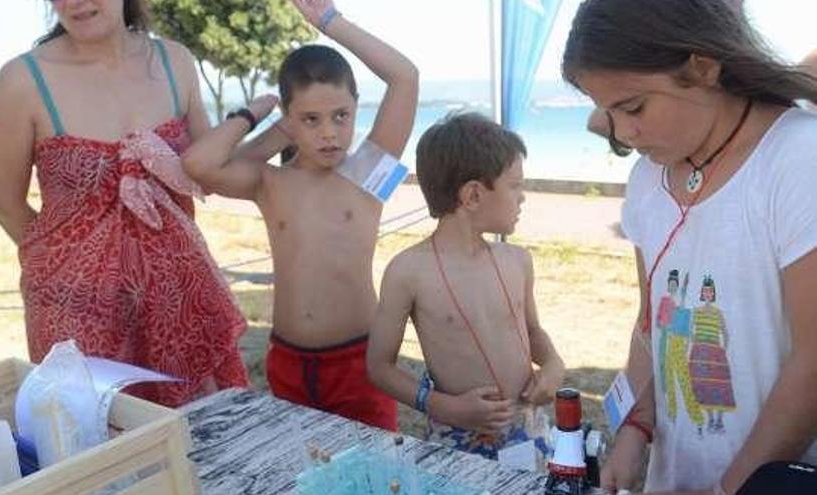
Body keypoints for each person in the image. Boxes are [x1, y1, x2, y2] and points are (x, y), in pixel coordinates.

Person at [561, 0, 817, 493]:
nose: (622, 134)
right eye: (607, 112)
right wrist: (636, 429)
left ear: (703, 66)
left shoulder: (797, 159)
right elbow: (651, 323)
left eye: (633, 107)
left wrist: (729, 488)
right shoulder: (646, 181)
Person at [0, 0, 249, 407]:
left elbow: (210, 171)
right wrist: (73, 262)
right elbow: (3, 202)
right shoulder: (23, 80)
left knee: (198, 443)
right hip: (75, 315)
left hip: (179, 305)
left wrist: (263, 120)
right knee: (100, 445)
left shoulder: (175, 63)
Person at [182, 0, 418, 430]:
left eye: (341, 116)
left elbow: (405, 77)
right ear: (290, 120)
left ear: (356, 109)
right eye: (310, 119)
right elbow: (199, 165)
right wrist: (256, 115)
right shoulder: (269, 183)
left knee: (376, 477)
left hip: (361, 362)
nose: (329, 132)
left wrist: (330, 21)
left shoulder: (368, 173)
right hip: (288, 363)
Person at [367, 113, 565, 459]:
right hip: (457, 437)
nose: (523, 197)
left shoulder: (517, 260)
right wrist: (442, 406)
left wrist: (553, 364)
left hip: (529, 427)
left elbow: (533, 331)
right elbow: (379, 366)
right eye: (515, 185)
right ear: (473, 195)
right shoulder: (408, 271)